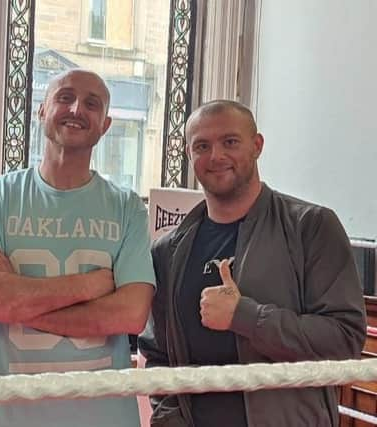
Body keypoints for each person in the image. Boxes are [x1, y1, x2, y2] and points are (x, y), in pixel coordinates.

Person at [138, 99, 367, 427]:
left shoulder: (311, 227)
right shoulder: (167, 251)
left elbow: (345, 340)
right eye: (202, 145)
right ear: (190, 155)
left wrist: (244, 316)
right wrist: (170, 420)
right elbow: (159, 357)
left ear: (257, 145)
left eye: (230, 141)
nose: (216, 156)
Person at [0, 69, 156, 427]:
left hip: (102, 418)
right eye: (65, 97)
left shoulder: (127, 208)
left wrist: (15, 297)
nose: (77, 108)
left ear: (105, 124)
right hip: (3, 418)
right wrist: (87, 287)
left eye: (91, 103)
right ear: (42, 110)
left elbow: (130, 315)